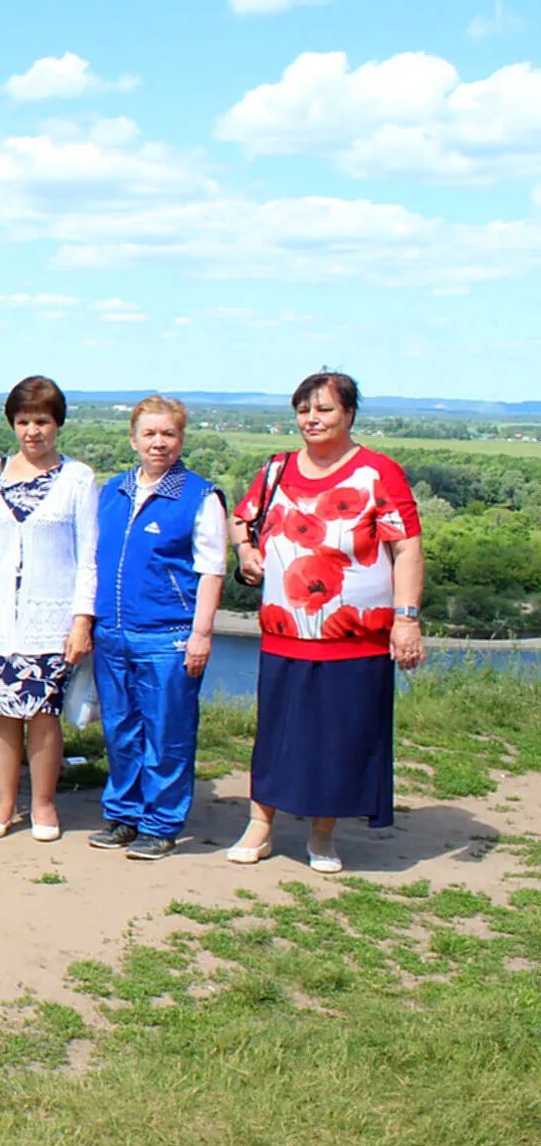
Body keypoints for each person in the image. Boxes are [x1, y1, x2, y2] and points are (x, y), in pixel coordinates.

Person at [228, 371, 423, 873]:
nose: (312, 420)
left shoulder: (378, 473)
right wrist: (247, 552)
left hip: (354, 636)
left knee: (339, 735)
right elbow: (241, 519)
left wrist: (407, 619)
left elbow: (406, 548)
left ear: (350, 414)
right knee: (276, 733)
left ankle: (322, 835)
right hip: (283, 633)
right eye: (304, 410)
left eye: (325, 410)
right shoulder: (277, 469)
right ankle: (261, 825)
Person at [0, 376, 97, 843]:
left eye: (43, 421)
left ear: (58, 424)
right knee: (1, 712)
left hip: (49, 620)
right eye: (24, 421)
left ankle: (43, 803)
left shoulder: (78, 479)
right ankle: (3, 801)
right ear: (12, 423)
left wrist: (82, 620)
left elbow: (90, 555)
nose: (33, 431)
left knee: (43, 714)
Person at [88, 396, 227, 861]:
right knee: (120, 729)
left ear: (181, 439)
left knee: (167, 732)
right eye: (149, 434)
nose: (158, 443)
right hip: (112, 632)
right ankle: (124, 815)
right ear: (133, 438)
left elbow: (211, 569)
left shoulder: (198, 498)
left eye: (168, 434)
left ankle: (161, 823)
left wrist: (201, 633)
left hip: (167, 635)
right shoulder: (114, 492)